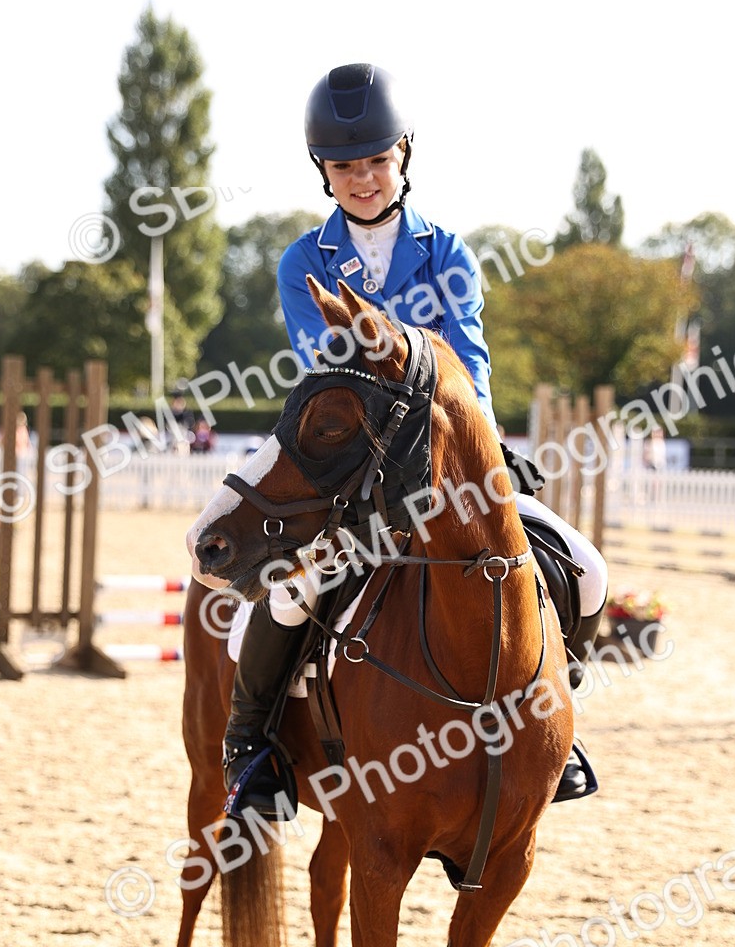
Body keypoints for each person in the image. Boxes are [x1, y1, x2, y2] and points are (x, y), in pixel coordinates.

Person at [221, 63, 608, 820]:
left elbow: (470, 362)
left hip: (457, 454)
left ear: (403, 154)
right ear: (323, 172)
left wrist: (485, 447)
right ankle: (254, 748)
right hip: (356, 467)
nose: (362, 178)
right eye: (344, 166)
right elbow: (328, 367)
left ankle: (553, 725)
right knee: (286, 596)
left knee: (586, 571)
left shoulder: (450, 253)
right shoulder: (304, 262)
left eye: (375, 160)